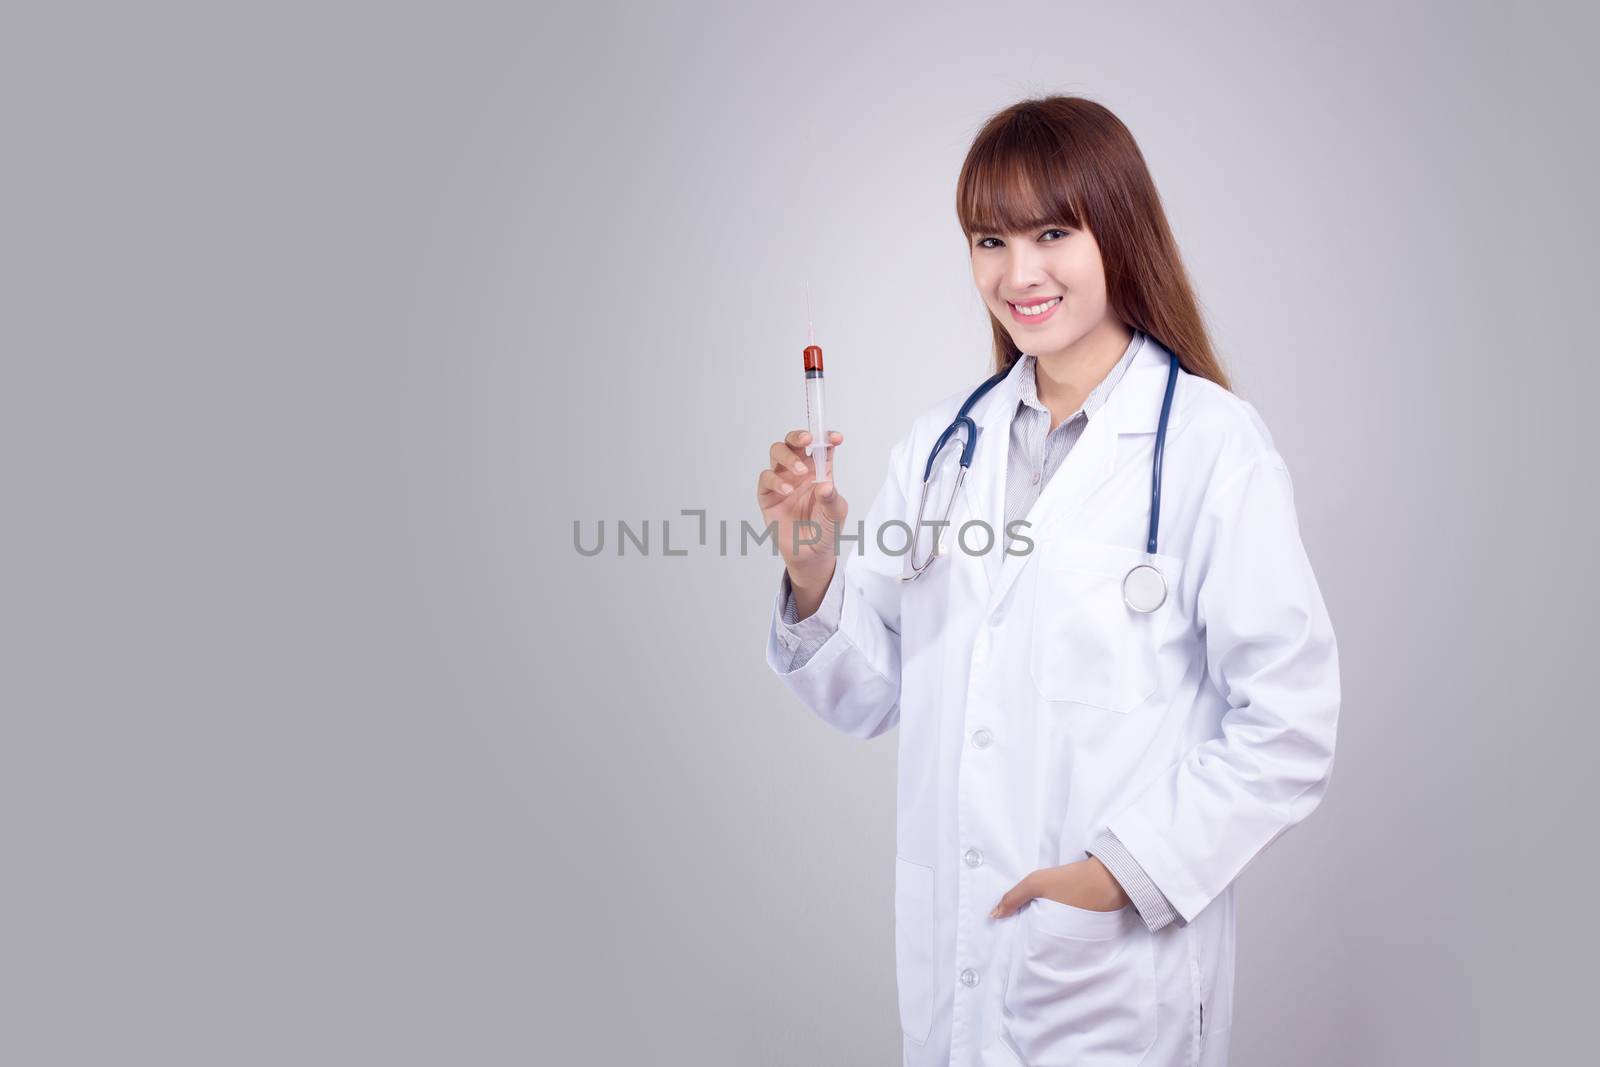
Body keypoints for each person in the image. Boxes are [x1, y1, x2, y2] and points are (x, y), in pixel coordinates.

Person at [754, 95, 1339, 1067]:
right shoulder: (942, 446)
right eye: (989, 239)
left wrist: (1115, 875)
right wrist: (811, 563)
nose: (1016, 272)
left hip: (1112, 977)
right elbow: (868, 692)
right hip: (961, 965)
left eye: (1051, 232)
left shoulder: (1207, 445)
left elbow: (1290, 723)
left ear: (1117, 228)